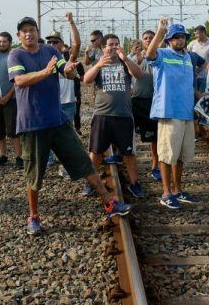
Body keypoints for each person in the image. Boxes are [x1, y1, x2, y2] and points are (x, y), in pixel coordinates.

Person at [8, 17, 131, 235]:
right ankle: (33, 216)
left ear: (38, 32)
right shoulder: (16, 54)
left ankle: (109, 202)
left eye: (32, 30)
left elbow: (67, 71)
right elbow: (19, 81)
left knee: (83, 161)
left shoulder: (50, 51)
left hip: (58, 121)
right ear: (19, 36)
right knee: (34, 175)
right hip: (32, 125)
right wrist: (45, 73)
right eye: (24, 31)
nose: (29, 34)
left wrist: (70, 70)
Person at [145, 19, 200, 210]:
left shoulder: (188, 58)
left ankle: (178, 190)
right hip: (169, 111)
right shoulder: (163, 54)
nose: (180, 40)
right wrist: (160, 31)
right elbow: (149, 54)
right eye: (176, 37)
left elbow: (188, 85)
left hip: (185, 113)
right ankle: (166, 193)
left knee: (180, 157)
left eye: (183, 37)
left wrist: (200, 97)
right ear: (169, 40)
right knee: (167, 155)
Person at [83, 33, 144, 197]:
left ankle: (135, 184)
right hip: (102, 114)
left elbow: (138, 74)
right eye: (110, 44)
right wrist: (98, 66)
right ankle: (90, 183)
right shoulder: (99, 63)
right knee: (95, 152)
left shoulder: (125, 63)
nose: (114, 47)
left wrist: (126, 59)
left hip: (123, 115)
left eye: (117, 44)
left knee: (129, 153)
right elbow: (86, 80)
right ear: (103, 48)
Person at [45, 13, 81, 176]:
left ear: (61, 43)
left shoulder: (67, 57)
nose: (52, 44)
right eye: (50, 41)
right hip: (50, 103)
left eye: (55, 41)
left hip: (67, 103)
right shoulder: (43, 58)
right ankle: (49, 160)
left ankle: (67, 165)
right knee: (47, 134)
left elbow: (77, 43)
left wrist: (71, 22)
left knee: (66, 136)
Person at [130, 31, 161, 181]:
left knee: (155, 136)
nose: (149, 40)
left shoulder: (161, 56)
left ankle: (155, 166)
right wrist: (138, 60)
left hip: (154, 101)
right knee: (131, 133)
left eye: (151, 38)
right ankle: (125, 160)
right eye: (146, 38)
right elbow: (130, 73)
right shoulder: (132, 57)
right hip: (136, 100)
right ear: (142, 42)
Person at [0, 31, 23, 168]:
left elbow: (18, 80)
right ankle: (3, 155)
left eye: (4, 41)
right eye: (0, 41)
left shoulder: (13, 56)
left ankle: (19, 157)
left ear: (9, 42)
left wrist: (8, 96)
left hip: (11, 98)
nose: (2, 44)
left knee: (13, 130)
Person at [187, 24, 209, 93]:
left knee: (203, 96)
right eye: (195, 34)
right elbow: (186, 55)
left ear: (203, 33)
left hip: (205, 76)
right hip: (194, 76)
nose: (196, 36)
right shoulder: (192, 44)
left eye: (197, 34)